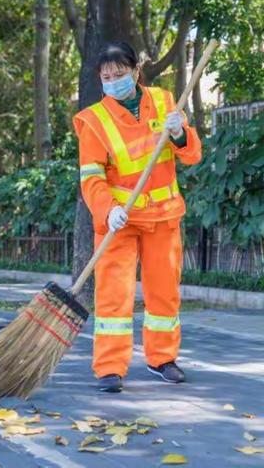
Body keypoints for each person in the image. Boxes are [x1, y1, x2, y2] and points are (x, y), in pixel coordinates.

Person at [72, 41, 202, 393]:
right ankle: (110, 368)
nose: (113, 81)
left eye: (120, 74)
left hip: (163, 215)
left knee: (164, 293)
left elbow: (192, 154)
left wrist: (178, 133)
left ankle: (163, 358)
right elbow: (91, 177)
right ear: (100, 79)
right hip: (120, 221)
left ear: (135, 72)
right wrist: (107, 209)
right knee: (114, 295)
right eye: (106, 76)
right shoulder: (94, 121)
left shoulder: (163, 101)